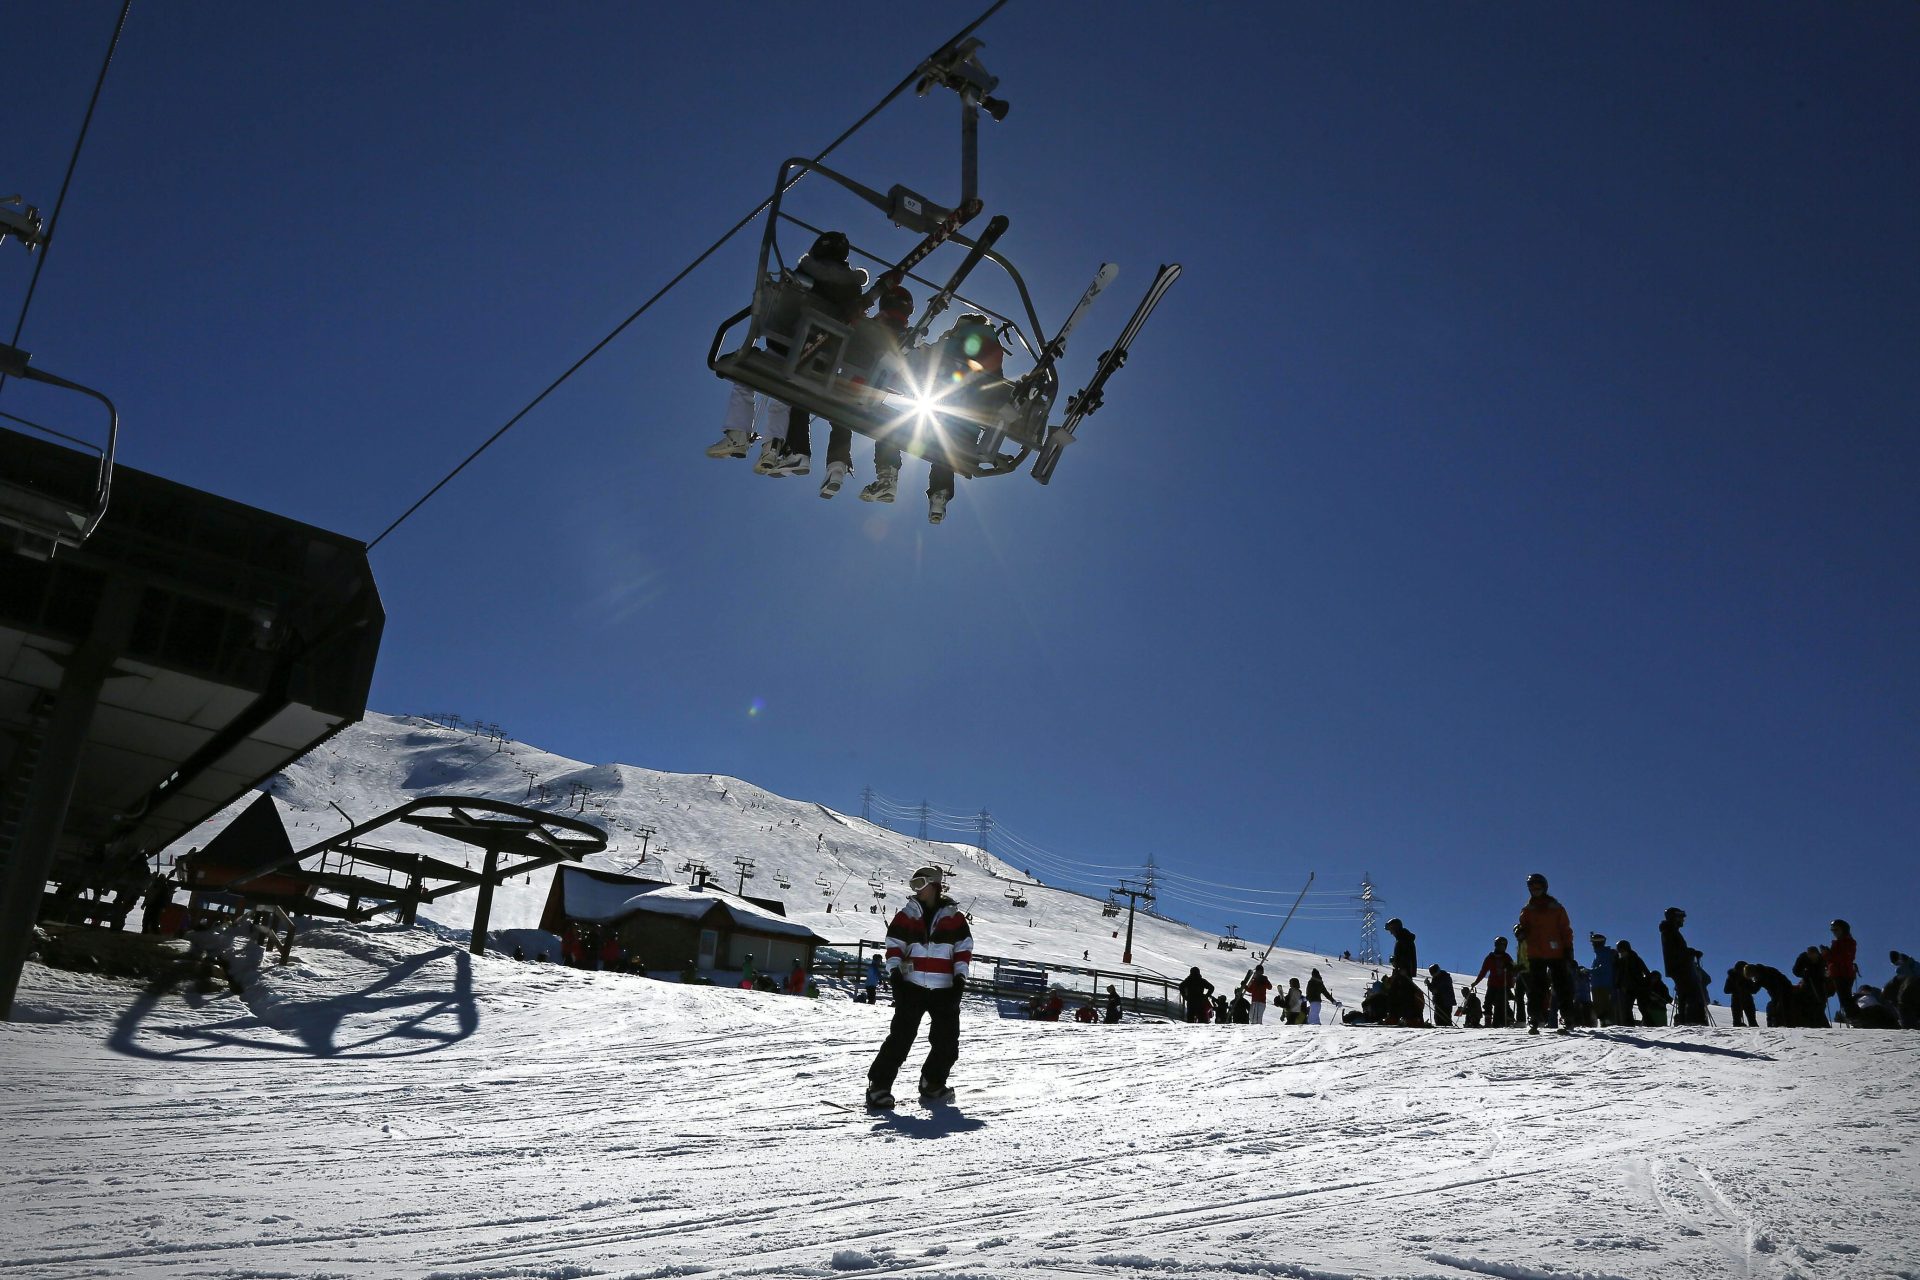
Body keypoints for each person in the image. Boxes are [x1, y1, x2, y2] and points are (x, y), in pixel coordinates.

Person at [707, 230, 868, 472]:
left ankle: (738, 434)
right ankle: (772, 447)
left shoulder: (805, 274)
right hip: (823, 358)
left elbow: (783, 306)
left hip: (787, 346)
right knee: (785, 393)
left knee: (745, 369)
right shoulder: (854, 291)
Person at [866, 866, 973, 1108]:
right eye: (913, 885)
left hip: (945, 988)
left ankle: (932, 1083)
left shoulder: (954, 918)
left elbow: (963, 950)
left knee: (947, 1041)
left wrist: (959, 980)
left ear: (935, 885)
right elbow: (894, 946)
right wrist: (895, 975)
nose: (916, 890)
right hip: (912, 986)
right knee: (901, 1038)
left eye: (920, 884)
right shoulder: (907, 915)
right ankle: (879, 1087)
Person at [1518, 872, 1577, 1035]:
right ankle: (1534, 1019)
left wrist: (1568, 949)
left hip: (1556, 953)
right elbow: (1523, 926)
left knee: (1561, 986)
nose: (1535, 890)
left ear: (1544, 887)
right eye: (1531, 887)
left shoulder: (1555, 907)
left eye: (1538, 887)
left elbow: (1565, 929)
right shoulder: (1527, 909)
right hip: (1536, 953)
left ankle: (1566, 1018)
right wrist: (1520, 931)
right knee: (1536, 987)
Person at [1660, 907, 1706, 1025]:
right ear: (1674, 917)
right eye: (1680, 917)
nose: (1683, 920)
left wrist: (1690, 951)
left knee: (1685, 993)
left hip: (1678, 967)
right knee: (1691, 993)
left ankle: (1687, 1020)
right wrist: (1691, 952)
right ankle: (1693, 1019)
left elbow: (1677, 950)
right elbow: (1676, 951)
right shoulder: (1670, 931)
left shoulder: (1670, 931)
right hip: (1680, 967)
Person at [1470, 937, 1515, 1028]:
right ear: (1496, 945)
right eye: (1499, 945)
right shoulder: (1490, 957)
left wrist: (1511, 981)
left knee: (1502, 1003)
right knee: (1488, 1002)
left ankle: (1507, 1019)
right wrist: (1476, 982)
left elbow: (1513, 971)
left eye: (1503, 946)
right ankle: (1488, 1021)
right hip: (1492, 984)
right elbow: (1483, 971)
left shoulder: (1507, 957)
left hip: (1503, 984)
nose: (1501, 947)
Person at [1384, 918, 1421, 1025]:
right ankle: (1398, 1017)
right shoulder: (1402, 938)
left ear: (1395, 928)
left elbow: (1406, 955)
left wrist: (1404, 968)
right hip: (1401, 971)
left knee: (1402, 994)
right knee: (1398, 993)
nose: (1391, 933)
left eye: (1391, 930)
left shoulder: (1404, 939)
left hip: (1403, 972)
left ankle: (1405, 1018)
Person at [1743, 961, 1798, 1026]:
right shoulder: (1761, 973)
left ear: (1752, 971)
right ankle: (1777, 1025)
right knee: (1773, 1009)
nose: (1751, 977)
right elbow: (1754, 990)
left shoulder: (1764, 974)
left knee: (1781, 1008)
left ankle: (1787, 1025)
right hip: (1778, 993)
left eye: (1750, 975)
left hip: (1784, 991)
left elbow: (1754, 990)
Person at [1828, 920, 1859, 1023]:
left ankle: (1855, 1018)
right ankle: (1853, 1018)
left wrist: (1826, 954)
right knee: (1844, 998)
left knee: (1845, 998)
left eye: (1836, 929)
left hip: (1843, 973)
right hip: (1839, 973)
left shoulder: (1847, 942)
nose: (1834, 932)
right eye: (1832, 930)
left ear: (1843, 930)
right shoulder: (1842, 942)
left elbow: (1842, 957)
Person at [1612, 940, 1648, 1026]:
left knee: (1641, 1007)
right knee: (1627, 1008)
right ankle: (1630, 1026)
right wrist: (1618, 984)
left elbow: (1646, 972)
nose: (1621, 953)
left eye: (1621, 951)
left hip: (1638, 986)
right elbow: (1619, 974)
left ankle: (1649, 1024)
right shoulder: (1621, 961)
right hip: (1628, 987)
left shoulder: (1635, 959)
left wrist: (1646, 983)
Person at [1588, 933, 1616, 1026]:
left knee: (1603, 1005)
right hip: (1598, 984)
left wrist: (1589, 971)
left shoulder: (1604, 954)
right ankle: (1604, 1022)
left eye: (1593, 943)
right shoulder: (1600, 954)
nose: (1592, 945)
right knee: (1600, 1006)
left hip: (1602, 984)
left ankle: (1607, 1023)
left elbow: (1603, 968)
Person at [1724, 962, 1759, 1027]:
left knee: (1751, 1021)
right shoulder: (1732, 977)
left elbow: (1753, 990)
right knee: (1739, 1021)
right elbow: (1726, 990)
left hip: (1745, 1000)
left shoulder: (1746, 977)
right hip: (1738, 1000)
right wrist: (1737, 989)